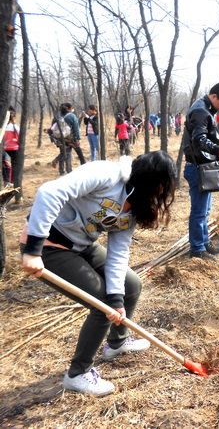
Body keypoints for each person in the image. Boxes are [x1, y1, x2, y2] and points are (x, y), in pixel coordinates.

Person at [20, 150, 177, 396]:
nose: (162, 195)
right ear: (152, 182)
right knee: (102, 305)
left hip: (83, 244)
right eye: (163, 188)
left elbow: (118, 252)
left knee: (131, 285)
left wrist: (117, 299)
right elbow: (49, 192)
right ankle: (77, 374)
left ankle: (116, 343)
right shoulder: (105, 174)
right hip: (49, 245)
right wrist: (33, 250)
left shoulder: (136, 204)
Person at [182, 80, 219, 260]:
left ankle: (204, 242)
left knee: (205, 210)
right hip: (198, 168)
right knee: (199, 211)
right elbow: (199, 140)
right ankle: (197, 249)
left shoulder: (206, 108)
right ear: (213, 96)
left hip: (205, 166)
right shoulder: (200, 111)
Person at [3, 109, 19, 185]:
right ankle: (13, 180)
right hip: (14, 148)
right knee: (14, 165)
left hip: (4, 148)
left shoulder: (3, 127)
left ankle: (7, 180)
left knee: (5, 164)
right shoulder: (15, 127)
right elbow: (19, 138)